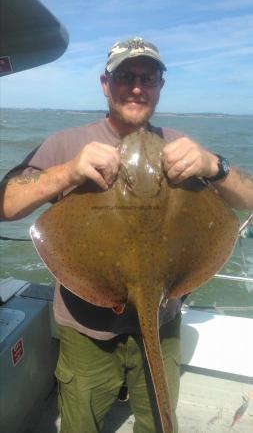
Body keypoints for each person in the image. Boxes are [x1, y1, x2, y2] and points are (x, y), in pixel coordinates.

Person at [1, 37, 253, 433]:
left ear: (160, 86)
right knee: (81, 424)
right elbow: (7, 205)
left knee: (158, 422)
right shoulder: (66, 143)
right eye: (125, 77)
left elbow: (250, 198)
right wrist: (68, 172)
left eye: (147, 78)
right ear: (106, 83)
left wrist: (213, 165)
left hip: (160, 317)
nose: (137, 87)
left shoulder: (184, 149)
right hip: (86, 330)